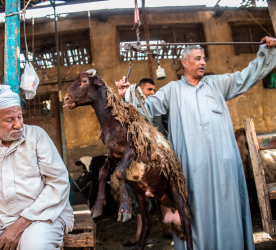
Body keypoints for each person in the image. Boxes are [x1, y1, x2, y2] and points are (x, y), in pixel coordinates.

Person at [130, 36, 276, 250]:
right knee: (194, 214)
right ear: (185, 62)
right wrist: (128, 95)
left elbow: (248, 76)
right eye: (198, 59)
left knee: (228, 210)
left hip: (223, 169)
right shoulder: (171, 91)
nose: (203, 63)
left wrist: (266, 51)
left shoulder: (218, 84)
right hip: (190, 171)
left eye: (204, 58)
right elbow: (146, 108)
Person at [0, 85, 74, 250]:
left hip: (41, 217)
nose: (18, 125)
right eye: (10, 120)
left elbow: (58, 182)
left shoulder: (37, 136)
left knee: (36, 245)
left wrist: (20, 223)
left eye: (20, 117)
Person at [116, 78, 170, 246]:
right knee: (138, 195)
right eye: (149, 90)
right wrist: (123, 96)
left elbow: (170, 126)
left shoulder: (159, 108)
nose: (153, 93)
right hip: (138, 160)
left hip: (159, 157)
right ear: (138, 91)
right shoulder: (130, 109)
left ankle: (169, 227)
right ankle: (140, 234)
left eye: (154, 89)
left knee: (165, 192)